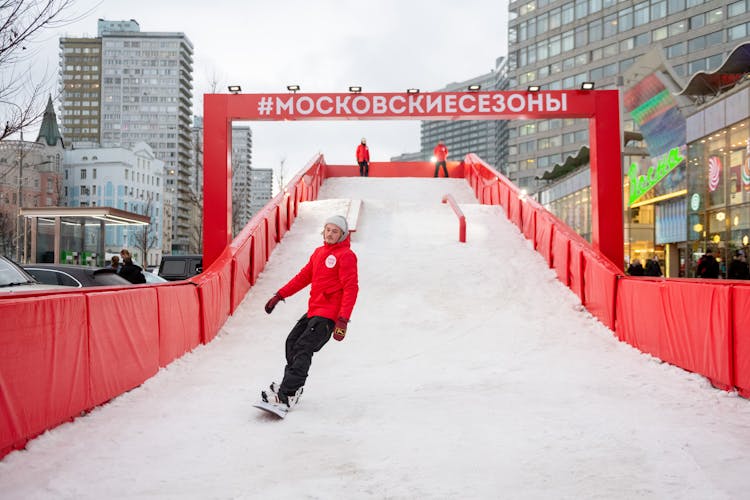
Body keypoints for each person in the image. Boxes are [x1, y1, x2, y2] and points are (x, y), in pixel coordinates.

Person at [263, 215, 359, 410]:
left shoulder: (346, 255)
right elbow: (302, 278)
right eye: (328, 229)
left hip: (329, 315)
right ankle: (291, 386)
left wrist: (342, 320)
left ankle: (287, 395)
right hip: (314, 311)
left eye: (335, 231)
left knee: (303, 348)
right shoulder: (319, 253)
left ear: (342, 235)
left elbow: (351, 288)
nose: (330, 234)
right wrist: (279, 295)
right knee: (292, 342)